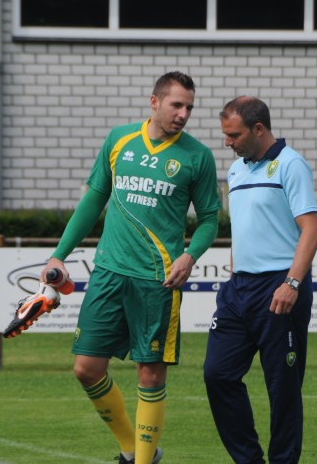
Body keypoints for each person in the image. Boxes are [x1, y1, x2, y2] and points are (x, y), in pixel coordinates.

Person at [41, 71, 222, 464]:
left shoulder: (197, 156)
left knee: (150, 375)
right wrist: (59, 254)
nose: (184, 114)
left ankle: (141, 461)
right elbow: (93, 200)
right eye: (177, 104)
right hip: (108, 273)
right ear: (154, 102)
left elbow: (210, 217)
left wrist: (190, 256)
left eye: (189, 107)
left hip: (157, 281)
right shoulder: (119, 139)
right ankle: (132, 448)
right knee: (86, 369)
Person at [204, 96, 317, 464]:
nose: (228, 142)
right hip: (238, 290)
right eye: (225, 135)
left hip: (280, 288)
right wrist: (235, 272)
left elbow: (311, 230)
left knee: (283, 390)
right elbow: (245, 229)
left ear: (258, 129)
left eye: (233, 134)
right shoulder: (237, 171)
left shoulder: (291, 164)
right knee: (217, 375)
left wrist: (293, 283)